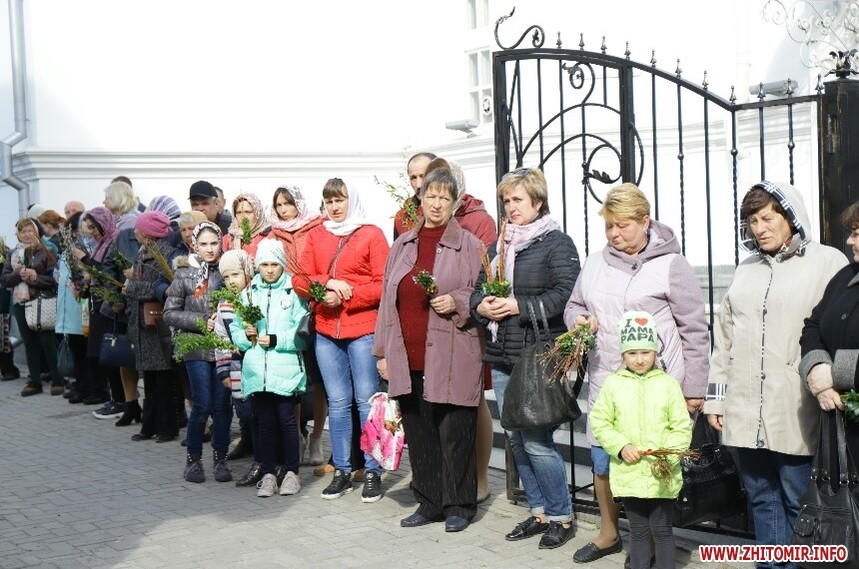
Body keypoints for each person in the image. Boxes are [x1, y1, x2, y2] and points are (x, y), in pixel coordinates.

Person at [564, 182, 709, 564]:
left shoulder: (671, 265)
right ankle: (610, 533)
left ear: (645, 222)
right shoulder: (595, 263)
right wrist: (579, 319)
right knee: (605, 461)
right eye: (609, 226)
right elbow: (574, 304)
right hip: (610, 380)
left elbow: (695, 329)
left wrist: (695, 387)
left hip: (658, 385)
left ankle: (653, 541)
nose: (614, 233)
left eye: (622, 225)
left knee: (652, 461)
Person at [704, 181, 847, 567]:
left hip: (795, 406)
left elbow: (839, 327)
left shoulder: (827, 262)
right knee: (761, 499)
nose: (760, 228)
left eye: (768, 218)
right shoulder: (745, 269)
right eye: (753, 221)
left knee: (799, 500)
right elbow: (724, 340)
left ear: (791, 216)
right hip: (744, 406)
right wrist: (716, 398)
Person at [470, 167, 580, 549]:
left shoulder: (557, 243)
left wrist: (519, 305)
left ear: (538, 201)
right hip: (502, 355)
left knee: (536, 440)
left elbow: (566, 294)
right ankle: (539, 511)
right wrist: (482, 306)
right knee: (516, 439)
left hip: (537, 355)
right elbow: (477, 290)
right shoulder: (499, 246)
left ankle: (562, 516)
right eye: (506, 201)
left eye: (517, 199)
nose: (510, 207)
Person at [375, 167, 484, 532]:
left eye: (444, 198)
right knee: (420, 432)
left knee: (455, 431)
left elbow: (482, 292)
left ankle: (459, 504)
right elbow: (387, 301)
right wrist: (382, 352)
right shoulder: (403, 244)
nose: (436, 204)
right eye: (431, 196)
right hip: (408, 353)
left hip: (453, 351)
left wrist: (458, 301)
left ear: (455, 203)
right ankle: (429, 501)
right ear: (420, 199)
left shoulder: (469, 245)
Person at [293, 179, 389, 503]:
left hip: (362, 329)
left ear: (352, 200)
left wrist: (346, 295)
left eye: (340, 200)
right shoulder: (317, 234)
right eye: (329, 201)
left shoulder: (371, 234)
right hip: (326, 332)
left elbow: (382, 283)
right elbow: (300, 279)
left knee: (366, 401)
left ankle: (372, 471)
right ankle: (343, 471)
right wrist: (327, 285)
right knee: (337, 403)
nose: (334, 207)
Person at [590, 312, 692, 569]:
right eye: (632, 353)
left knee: (662, 528)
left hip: (662, 473)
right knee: (638, 530)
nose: (639, 359)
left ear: (655, 352)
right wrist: (621, 446)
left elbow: (681, 426)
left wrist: (667, 456)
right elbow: (600, 421)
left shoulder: (668, 384)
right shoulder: (613, 384)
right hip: (630, 473)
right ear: (622, 354)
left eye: (645, 352)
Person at [231, 239, 310, 497]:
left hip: (285, 370)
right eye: (264, 264)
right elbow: (236, 330)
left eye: (274, 264)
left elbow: (302, 334)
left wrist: (277, 340)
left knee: (287, 422)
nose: (269, 270)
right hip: (257, 371)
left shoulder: (293, 292)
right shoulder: (248, 293)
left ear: (282, 264)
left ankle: (291, 472)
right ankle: (268, 473)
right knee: (264, 423)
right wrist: (246, 336)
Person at [164, 221, 233, 483]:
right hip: (195, 345)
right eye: (203, 244)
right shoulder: (184, 274)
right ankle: (193, 460)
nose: (209, 249)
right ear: (194, 245)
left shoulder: (227, 271)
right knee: (202, 403)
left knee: (222, 406)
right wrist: (202, 321)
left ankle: (221, 459)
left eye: (214, 243)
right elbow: (170, 313)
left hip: (223, 346)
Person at [269, 185, 326, 467]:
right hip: (285, 312)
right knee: (292, 378)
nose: (283, 210)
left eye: (288, 203)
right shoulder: (273, 234)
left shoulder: (317, 227)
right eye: (279, 205)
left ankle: (317, 438)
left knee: (319, 379)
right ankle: (298, 436)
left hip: (314, 308)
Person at [125, 211, 179, 442]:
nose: (135, 231)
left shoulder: (163, 254)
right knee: (149, 378)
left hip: (157, 323)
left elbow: (161, 288)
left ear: (148, 232)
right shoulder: (143, 252)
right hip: (143, 324)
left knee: (163, 378)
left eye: (139, 228)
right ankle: (149, 426)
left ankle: (166, 427)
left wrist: (131, 288)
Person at [0, 218, 62, 397]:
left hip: (41, 300)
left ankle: (58, 379)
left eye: (30, 231)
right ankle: (35, 381)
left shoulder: (47, 251)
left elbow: (55, 280)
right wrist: (19, 274)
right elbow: (4, 280)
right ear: (18, 234)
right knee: (29, 343)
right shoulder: (13, 253)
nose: (27, 234)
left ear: (36, 232)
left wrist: (36, 277)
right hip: (20, 302)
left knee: (47, 341)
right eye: (23, 231)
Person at [56, 212, 90, 403]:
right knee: (76, 348)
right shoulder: (70, 247)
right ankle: (80, 383)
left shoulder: (83, 247)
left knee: (82, 349)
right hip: (68, 305)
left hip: (79, 306)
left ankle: (86, 386)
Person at [393, 152, 436, 239]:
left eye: (423, 176)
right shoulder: (401, 218)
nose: (418, 185)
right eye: (413, 178)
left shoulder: (456, 211)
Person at [223, 192, 270, 259]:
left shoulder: (268, 238)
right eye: (239, 212)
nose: (243, 217)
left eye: (248, 212)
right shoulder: (228, 240)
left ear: (257, 214)